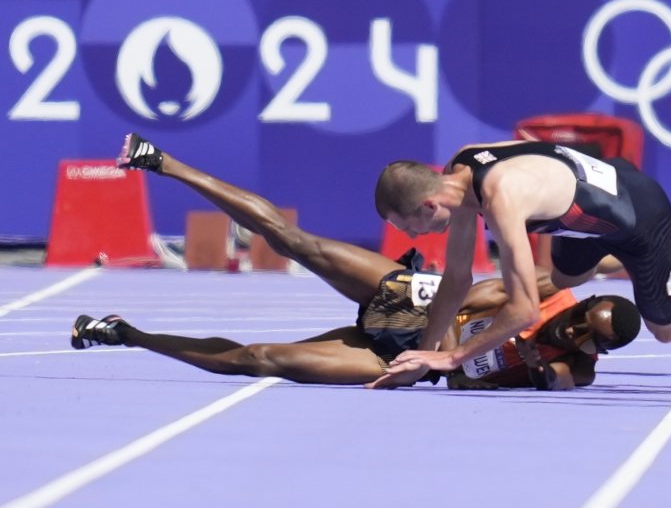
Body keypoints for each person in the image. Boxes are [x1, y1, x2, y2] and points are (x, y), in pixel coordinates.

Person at [72, 134, 639, 389]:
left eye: (595, 337)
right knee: (293, 239)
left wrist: (542, 362)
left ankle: (127, 334)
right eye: (588, 318)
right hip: (403, 294)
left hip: (392, 356)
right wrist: (660, 244)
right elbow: (597, 261)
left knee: (260, 358)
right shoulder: (551, 296)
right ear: (586, 304)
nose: (582, 330)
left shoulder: (577, 366)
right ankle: (164, 161)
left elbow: (558, 378)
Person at [370, 136, 671, 388]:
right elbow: (455, 278)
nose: (417, 238)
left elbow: (524, 312)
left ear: (429, 205)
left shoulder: (501, 199)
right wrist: (425, 354)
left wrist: (452, 358)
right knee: (565, 278)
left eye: (411, 228)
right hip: (594, 206)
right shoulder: (460, 168)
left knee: (667, 328)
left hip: (641, 215)